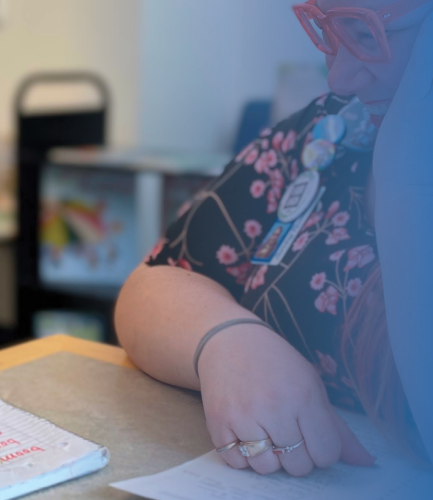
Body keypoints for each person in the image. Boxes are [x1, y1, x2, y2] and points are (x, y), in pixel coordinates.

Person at [116, 0, 433, 478]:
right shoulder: (333, 130)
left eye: (367, 36)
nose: (339, 78)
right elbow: (153, 281)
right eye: (329, 30)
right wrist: (226, 338)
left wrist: (406, 184)